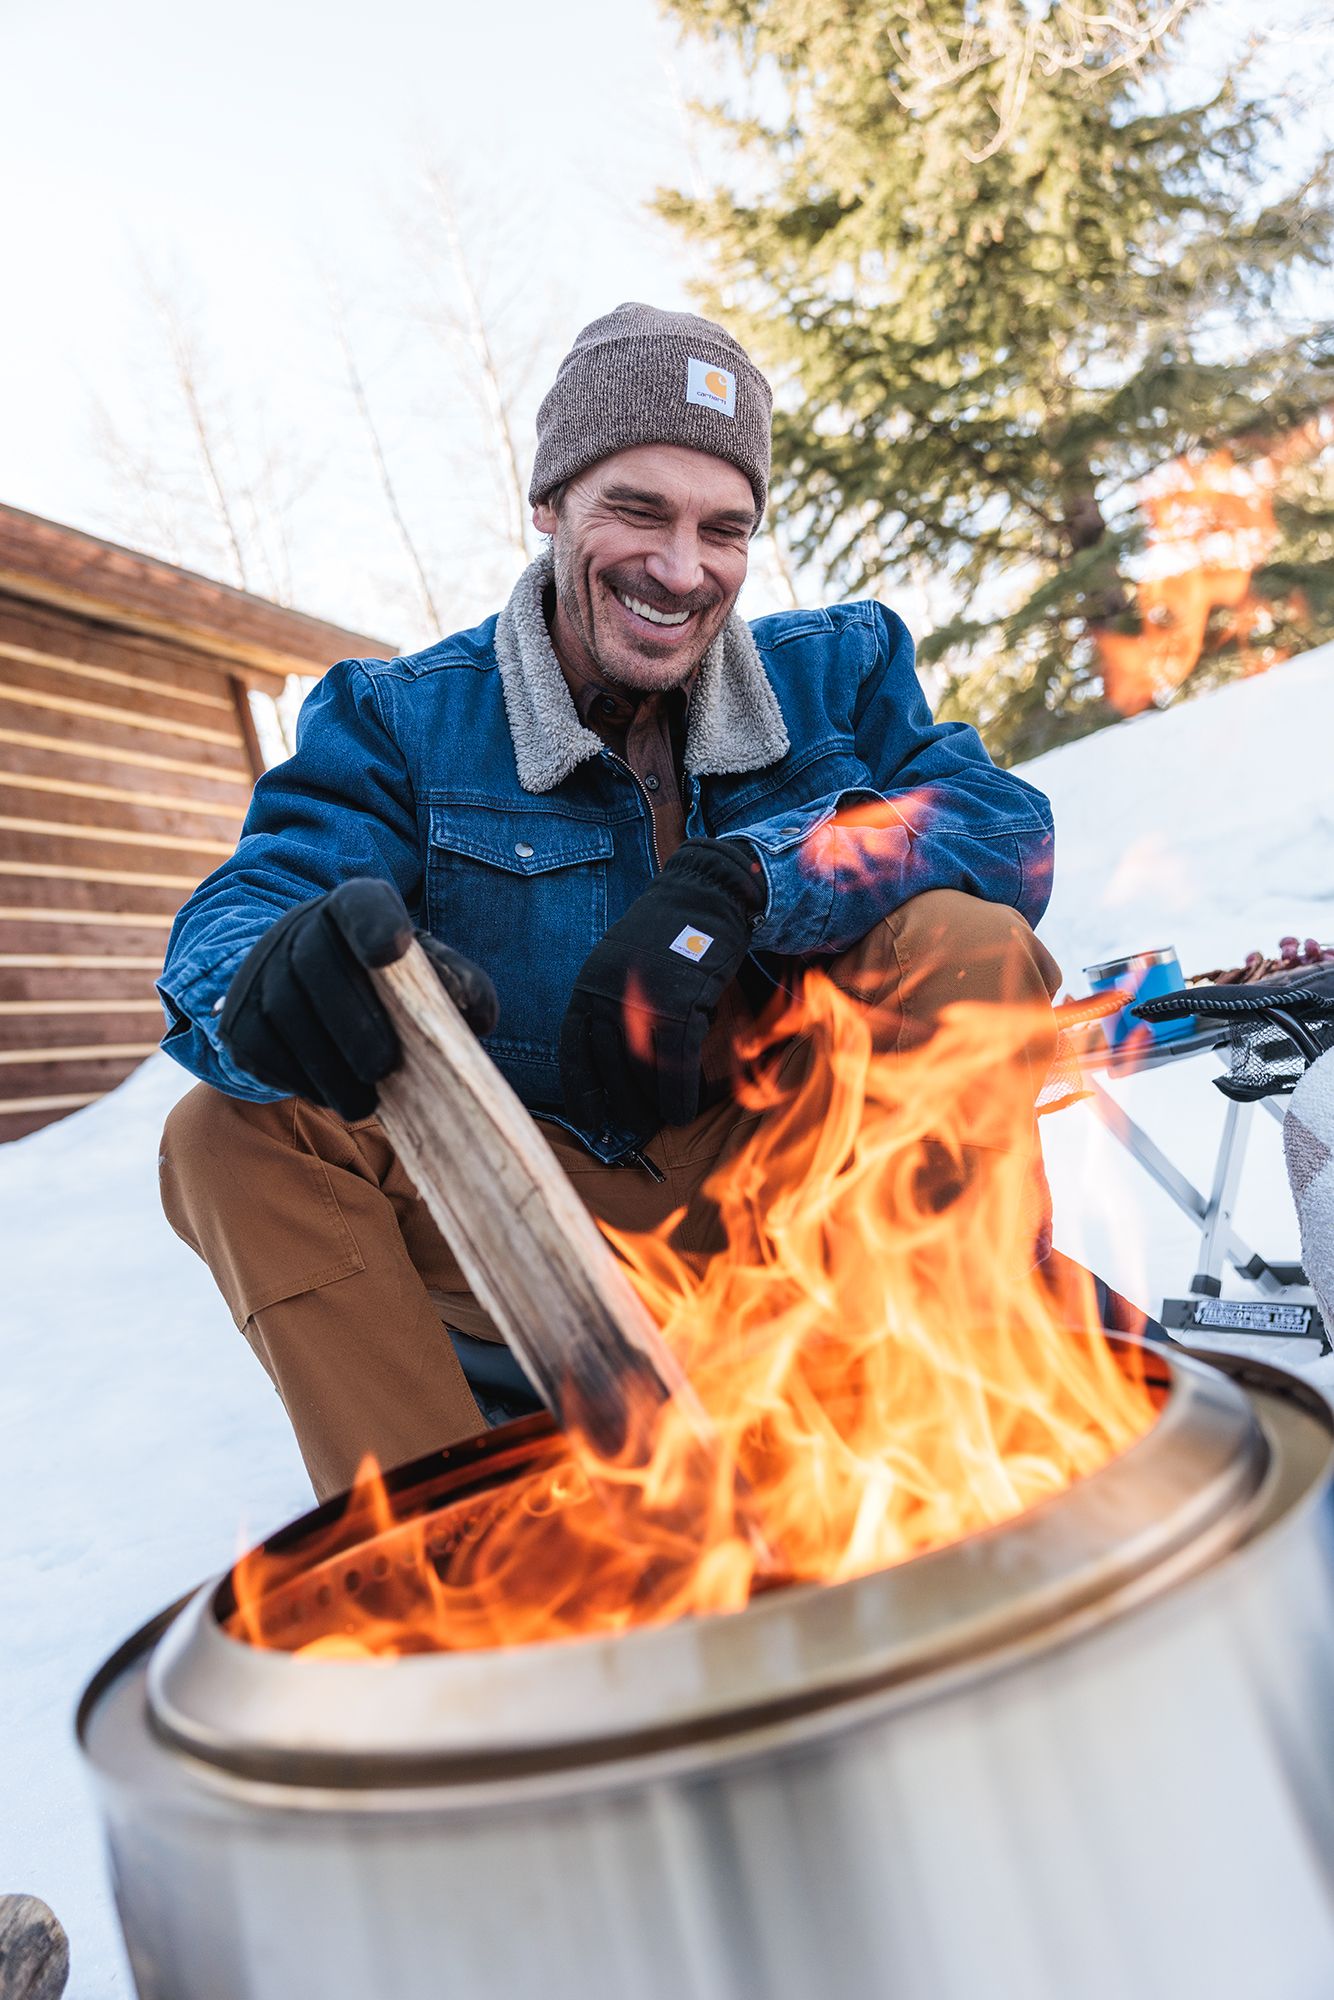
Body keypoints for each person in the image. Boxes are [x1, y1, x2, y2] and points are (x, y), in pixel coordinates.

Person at [157, 302, 1061, 1500]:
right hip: (544, 1217)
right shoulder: (399, 718)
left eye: (722, 528)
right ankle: (461, 1569)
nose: (682, 569)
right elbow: (247, 905)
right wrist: (275, 970)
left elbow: (1002, 828)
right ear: (550, 503)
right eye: (638, 509)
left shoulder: (835, 667)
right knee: (228, 1130)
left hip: (801, 1174)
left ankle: (945, 1429)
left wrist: (749, 881)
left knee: (961, 937)